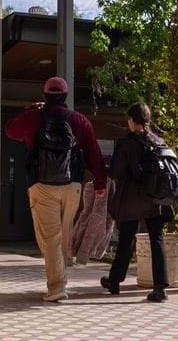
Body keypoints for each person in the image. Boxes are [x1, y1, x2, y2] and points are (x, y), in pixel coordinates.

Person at [6, 76, 106, 302]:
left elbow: (11, 130)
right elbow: (93, 153)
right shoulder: (80, 121)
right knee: (62, 233)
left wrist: (31, 109)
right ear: (66, 95)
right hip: (72, 185)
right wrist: (100, 183)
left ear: (45, 95)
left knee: (50, 236)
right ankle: (59, 279)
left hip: (42, 185)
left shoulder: (34, 116)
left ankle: (57, 286)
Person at [100, 103, 175, 302]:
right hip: (156, 198)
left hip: (132, 198)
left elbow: (115, 172)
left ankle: (115, 281)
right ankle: (160, 287)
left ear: (132, 121)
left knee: (126, 239)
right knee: (156, 239)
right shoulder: (159, 141)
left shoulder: (126, 143)